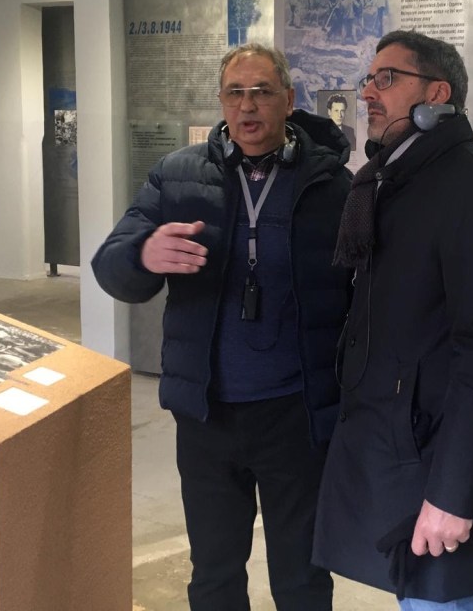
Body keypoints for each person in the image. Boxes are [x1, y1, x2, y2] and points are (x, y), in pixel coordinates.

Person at [91, 42, 353, 611]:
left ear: (289, 99)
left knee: (303, 577)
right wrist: (142, 254)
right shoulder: (178, 176)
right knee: (213, 573)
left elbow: (365, 295)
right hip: (208, 413)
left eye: (261, 92)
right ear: (221, 101)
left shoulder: (333, 185)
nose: (247, 105)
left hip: (297, 415)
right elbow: (109, 265)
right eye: (235, 93)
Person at [314, 30, 473, 609]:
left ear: (437, 93)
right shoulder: (394, 180)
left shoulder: (472, 187)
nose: (368, 93)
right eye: (368, 79)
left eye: (387, 79)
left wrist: (454, 495)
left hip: (433, 462)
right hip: (397, 448)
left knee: (437, 598)